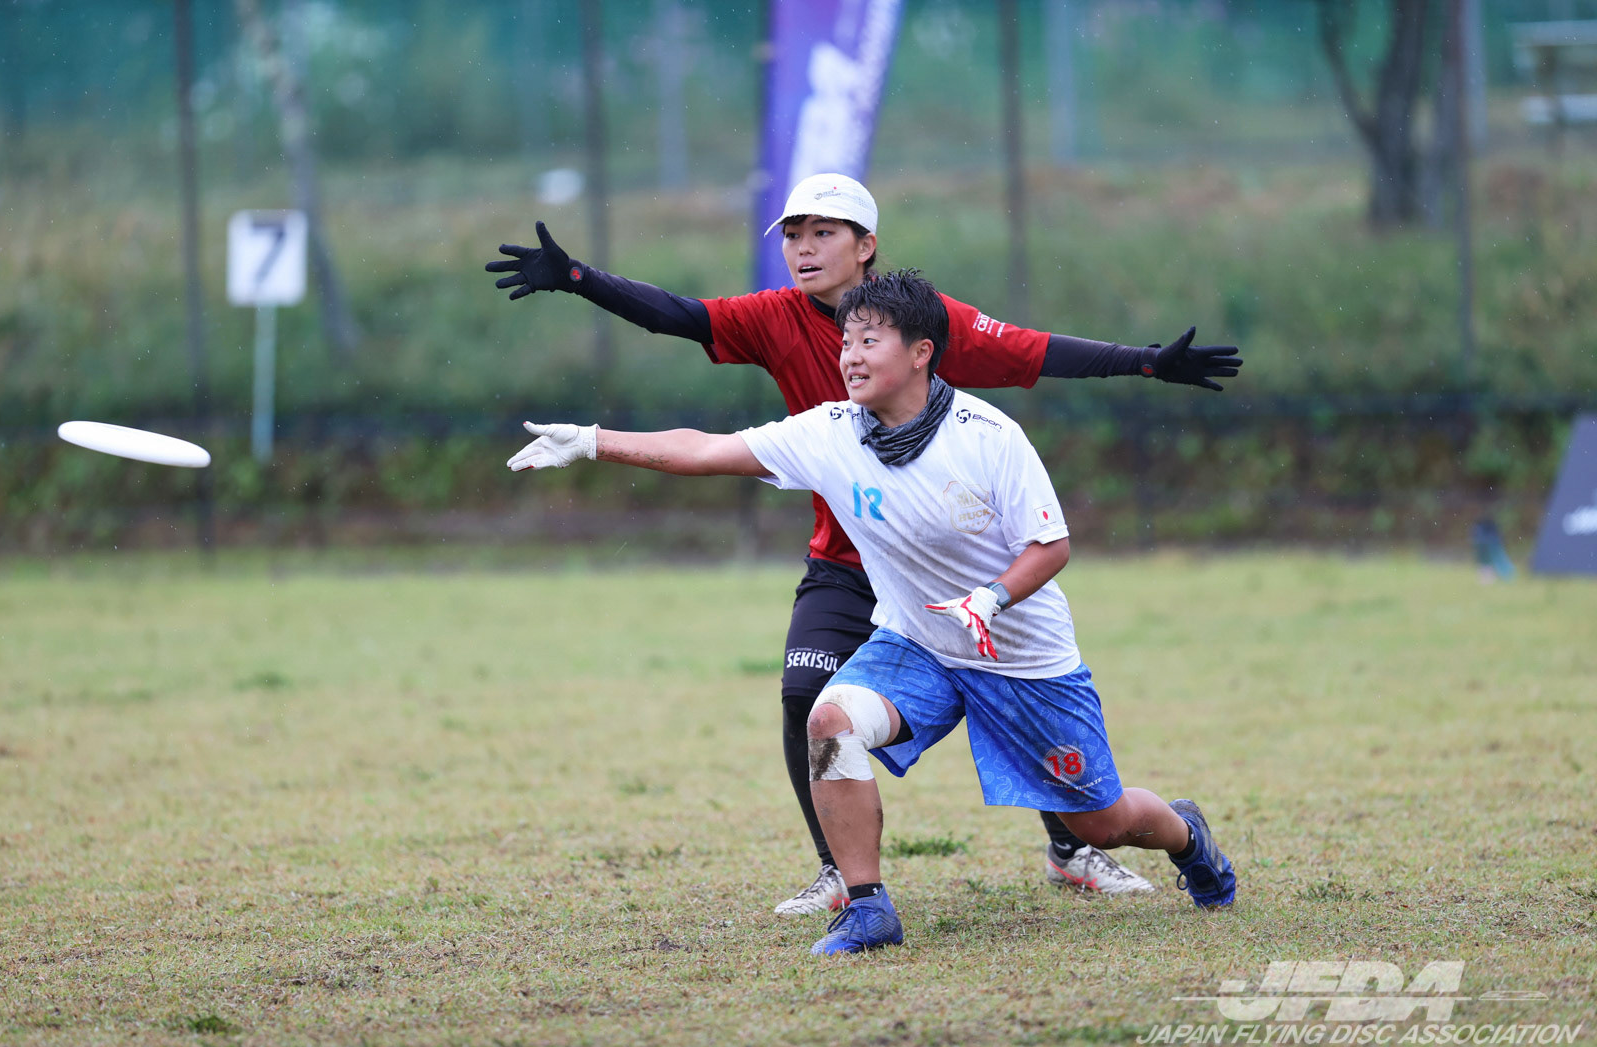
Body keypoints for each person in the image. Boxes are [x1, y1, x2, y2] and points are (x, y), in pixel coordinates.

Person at [486, 173, 1241, 914]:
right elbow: (684, 349)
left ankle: (1084, 841)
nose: (804, 248)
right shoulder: (803, 374)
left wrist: (1145, 360)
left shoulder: (949, 362)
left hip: (984, 594)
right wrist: (583, 329)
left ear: (869, 252)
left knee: (1081, 793)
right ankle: (851, 883)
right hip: (864, 575)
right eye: (793, 235)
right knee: (813, 706)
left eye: (823, 232)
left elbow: (1036, 352)